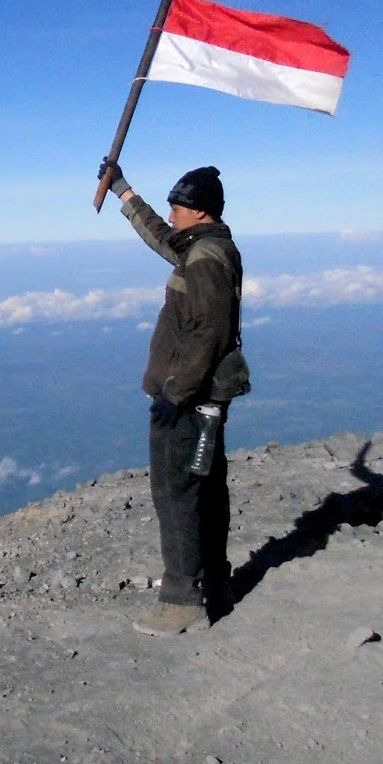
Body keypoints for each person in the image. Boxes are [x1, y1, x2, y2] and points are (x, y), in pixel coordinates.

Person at [100, 159, 250, 635]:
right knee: (202, 487)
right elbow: (161, 235)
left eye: (179, 205)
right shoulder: (201, 247)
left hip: (188, 399)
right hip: (200, 395)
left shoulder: (206, 258)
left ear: (200, 212)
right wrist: (124, 193)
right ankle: (216, 583)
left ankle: (182, 599)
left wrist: (175, 394)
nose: (172, 211)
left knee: (176, 493)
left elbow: (209, 332)